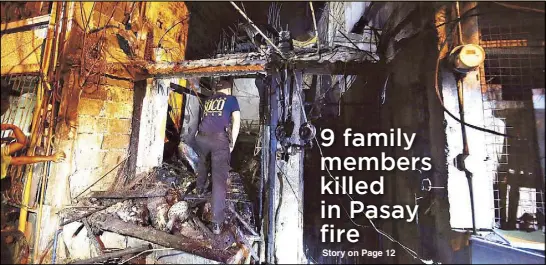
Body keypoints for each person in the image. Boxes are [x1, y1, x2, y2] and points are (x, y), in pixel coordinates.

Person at [195, 76, 240, 235]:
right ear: (228, 90)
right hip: (218, 139)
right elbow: (236, 121)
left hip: (201, 137)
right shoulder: (231, 99)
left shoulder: (208, 100)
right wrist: (232, 143)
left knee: (203, 163)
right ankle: (216, 222)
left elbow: (203, 118)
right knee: (219, 180)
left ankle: (199, 189)